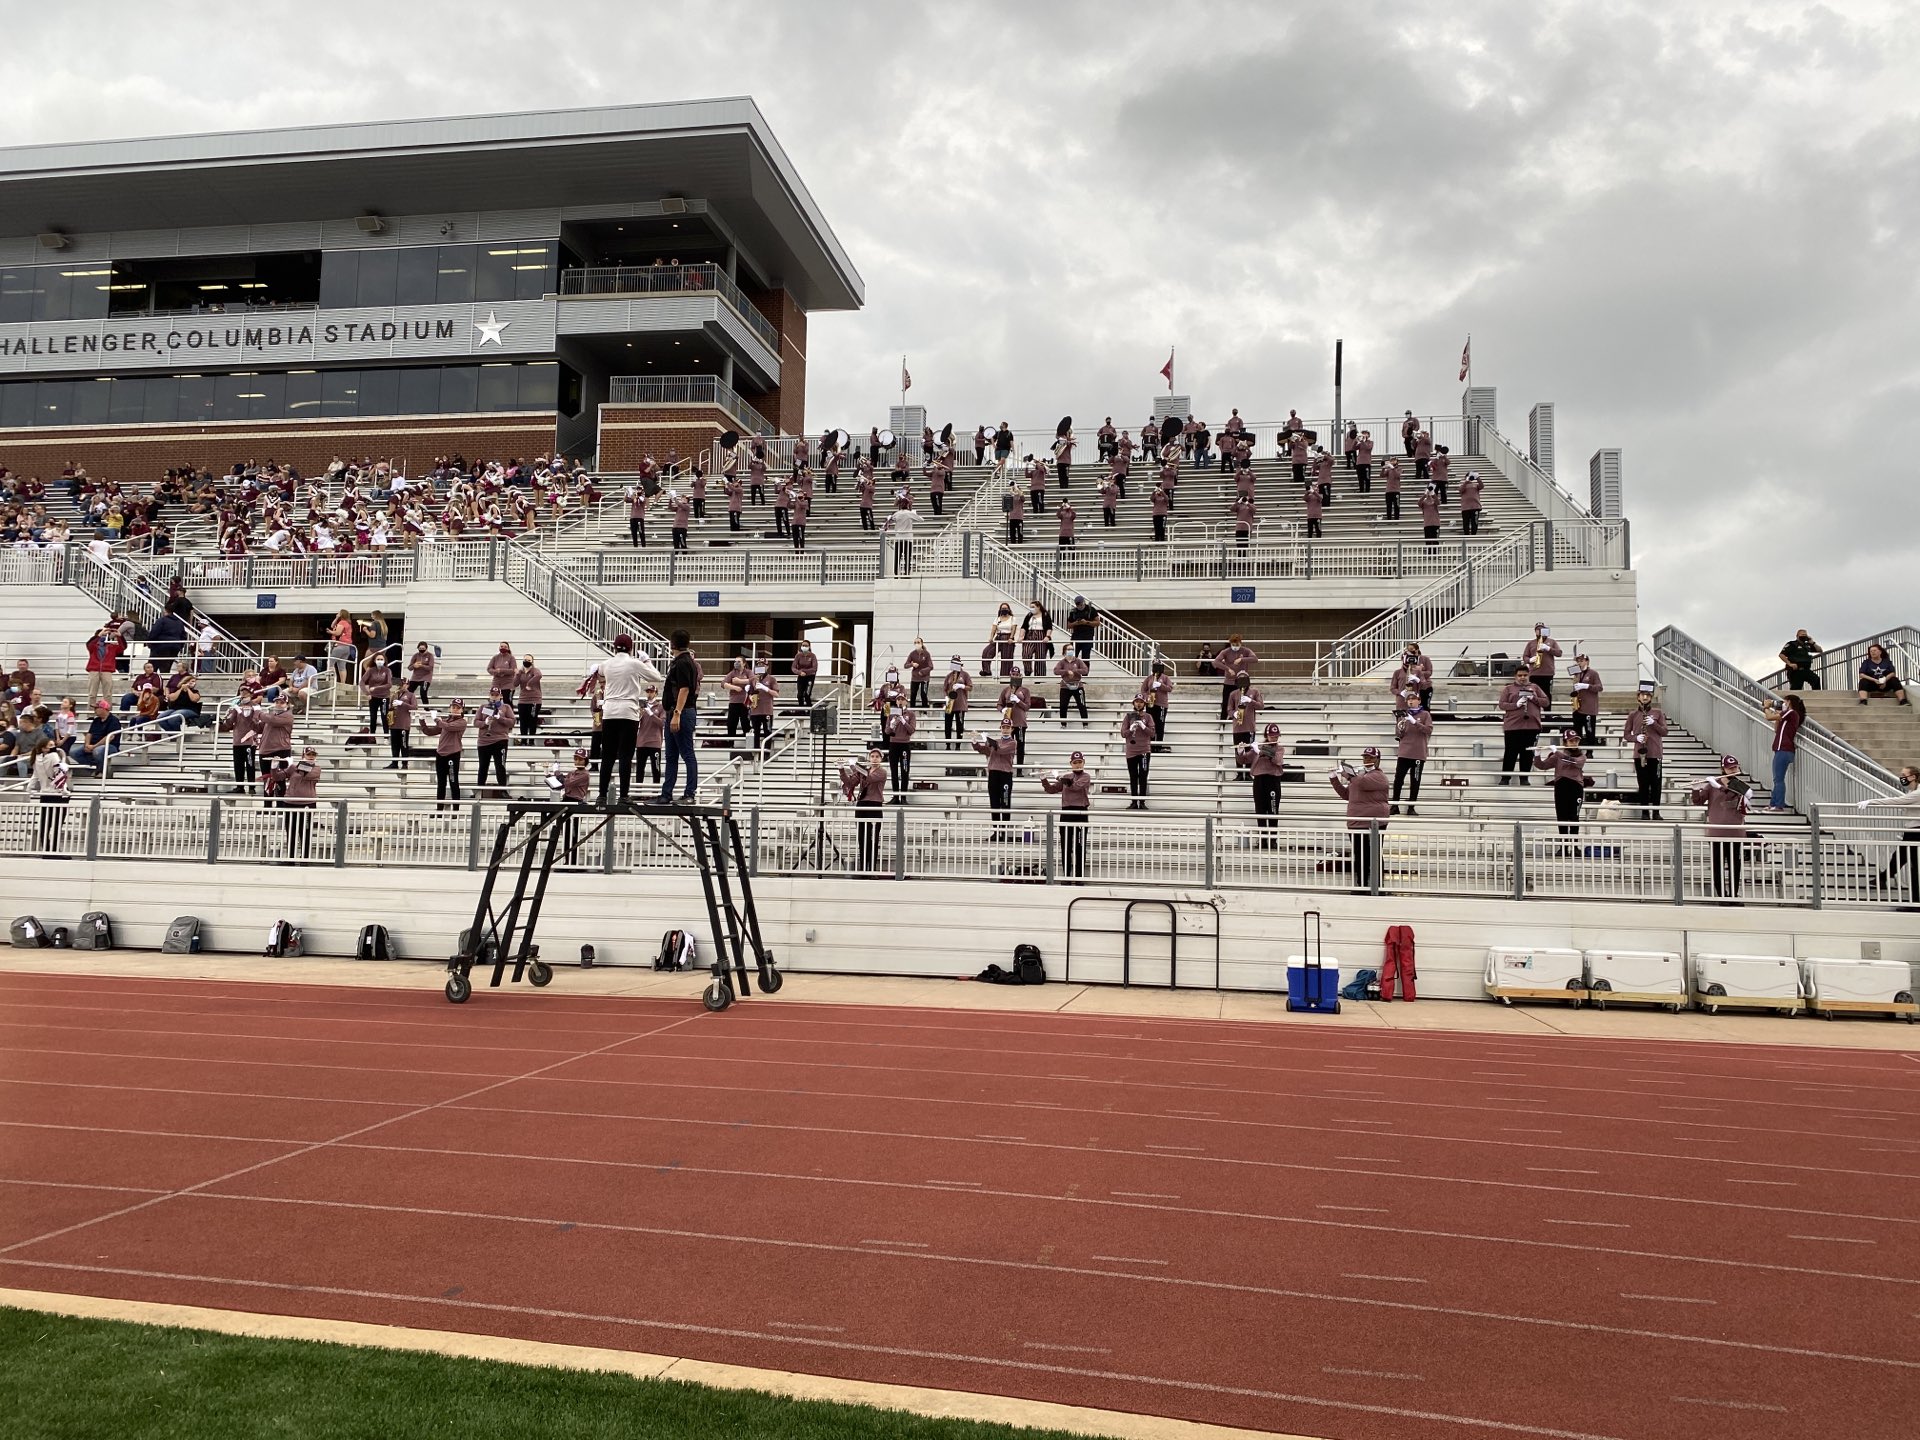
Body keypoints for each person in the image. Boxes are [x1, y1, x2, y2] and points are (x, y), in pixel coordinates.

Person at [600, 633, 665, 804]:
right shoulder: (634, 663)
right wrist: (647, 661)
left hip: (609, 711)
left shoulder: (606, 664)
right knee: (625, 755)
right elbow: (656, 677)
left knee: (607, 755)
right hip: (628, 711)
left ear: (614, 647)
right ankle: (623, 795)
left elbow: (598, 672)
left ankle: (601, 795)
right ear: (631, 648)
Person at [1690, 755, 1751, 900]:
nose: (1733, 770)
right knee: (1717, 865)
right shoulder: (1712, 785)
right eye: (1730, 768)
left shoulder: (1740, 784)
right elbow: (1697, 802)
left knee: (1735, 866)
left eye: (1735, 767)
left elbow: (1742, 794)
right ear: (1723, 769)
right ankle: (1721, 896)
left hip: (1735, 833)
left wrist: (1719, 786)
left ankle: (1734, 895)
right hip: (1717, 832)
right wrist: (1695, 789)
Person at [1330, 748, 1390, 892]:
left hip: (1373, 822)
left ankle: (1378, 886)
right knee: (1359, 854)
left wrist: (1350, 776)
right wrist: (1333, 778)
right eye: (1365, 757)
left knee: (1374, 854)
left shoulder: (1379, 776)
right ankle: (1361, 885)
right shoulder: (1359, 777)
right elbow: (1346, 794)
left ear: (1377, 760)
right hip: (1356, 821)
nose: (1367, 760)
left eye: (1370, 758)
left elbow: (1363, 783)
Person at [1859, 766, 1920, 906]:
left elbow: (1897, 801)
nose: (1901, 777)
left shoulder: (1917, 793)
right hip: (1912, 831)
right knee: (1900, 857)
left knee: (1913, 865)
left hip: (1916, 832)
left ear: (1913, 777)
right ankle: (1883, 878)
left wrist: (1871, 802)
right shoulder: (1913, 791)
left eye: (1904, 775)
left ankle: (1915, 901)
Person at [658, 629, 700, 803]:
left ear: (672, 644)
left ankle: (689, 793)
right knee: (671, 755)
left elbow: (684, 689)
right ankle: (666, 793)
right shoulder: (684, 661)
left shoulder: (683, 662)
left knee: (687, 754)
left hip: (681, 711)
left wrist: (677, 713)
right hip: (675, 712)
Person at [1041, 751, 1092, 877]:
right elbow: (1051, 790)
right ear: (1071, 764)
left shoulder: (1086, 776)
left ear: (1084, 762)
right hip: (1066, 812)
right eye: (1075, 763)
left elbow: (1075, 787)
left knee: (1080, 846)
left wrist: (1059, 778)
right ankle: (1066, 876)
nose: (1077, 765)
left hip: (1080, 812)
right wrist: (1044, 779)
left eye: (1080, 762)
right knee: (1066, 845)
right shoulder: (1067, 777)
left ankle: (1079, 876)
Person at [1622, 680, 1668, 819]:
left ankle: (1656, 811)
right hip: (1640, 754)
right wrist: (1636, 738)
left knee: (1656, 784)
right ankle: (1644, 812)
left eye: (1648, 695)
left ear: (1651, 697)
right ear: (1638, 697)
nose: (1645, 697)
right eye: (1642, 695)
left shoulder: (1658, 713)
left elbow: (1665, 732)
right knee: (1643, 783)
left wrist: (1654, 723)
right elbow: (1626, 734)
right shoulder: (1633, 714)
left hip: (1655, 753)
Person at [1536, 730, 1591, 836]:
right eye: (1571, 741)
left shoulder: (1582, 756)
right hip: (1561, 787)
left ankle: (1574, 847)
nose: (1574, 743)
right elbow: (1542, 766)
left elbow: (1574, 762)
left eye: (1576, 740)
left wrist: (1556, 752)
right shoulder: (1558, 755)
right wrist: (1537, 754)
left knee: (1574, 817)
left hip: (1576, 788)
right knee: (1561, 817)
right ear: (1565, 742)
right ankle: (1563, 846)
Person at [1238, 722, 1286, 845]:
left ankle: (1272, 840)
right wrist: (1241, 751)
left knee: (1273, 810)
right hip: (1259, 780)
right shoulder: (1258, 746)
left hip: (1273, 780)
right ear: (1266, 735)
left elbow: (1278, 760)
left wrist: (1260, 751)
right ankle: (1263, 839)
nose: (1274, 738)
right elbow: (1244, 760)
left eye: (1276, 736)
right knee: (1260, 810)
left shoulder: (1279, 748)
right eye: (1272, 736)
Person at [1499, 664, 1546, 784]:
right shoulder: (1508, 688)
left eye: (1525, 675)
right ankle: (1505, 778)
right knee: (1510, 753)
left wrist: (1534, 698)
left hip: (1531, 726)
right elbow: (1502, 705)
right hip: (1513, 726)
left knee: (1527, 753)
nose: (1522, 678)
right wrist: (1516, 705)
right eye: (1520, 675)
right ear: (1515, 676)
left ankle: (1524, 778)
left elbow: (1546, 702)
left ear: (1528, 675)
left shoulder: (1534, 687)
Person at [972, 721, 1019, 839]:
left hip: (1005, 775)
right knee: (994, 803)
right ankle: (996, 832)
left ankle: (1004, 832)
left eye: (1008, 727)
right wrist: (975, 741)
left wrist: (988, 741)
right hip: (993, 774)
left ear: (1012, 729)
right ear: (1000, 728)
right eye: (1003, 727)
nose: (1005, 729)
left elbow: (1001, 750)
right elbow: (984, 750)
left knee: (1005, 803)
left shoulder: (1013, 743)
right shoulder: (995, 742)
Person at [844, 748, 889, 872]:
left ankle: (872, 869)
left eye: (877, 757)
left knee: (873, 838)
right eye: (872, 756)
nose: (874, 759)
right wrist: (841, 769)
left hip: (874, 804)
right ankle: (863, 868)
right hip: (862, 803)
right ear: (869, 758)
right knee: (862, 837)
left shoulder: (882, 772)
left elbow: (869, 778)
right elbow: (850, 783)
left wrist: (855, 767)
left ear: (881, 759)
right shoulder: (864, 771)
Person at [420, 698, 469, 806]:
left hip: (453, 754)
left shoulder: (462, 722)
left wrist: (436, 719)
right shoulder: (445, 721)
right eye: (453, 707)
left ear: (462, 710)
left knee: (453, 782)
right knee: (441, 783)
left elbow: (448, 727)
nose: (455, 710)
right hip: (440, 754)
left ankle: (456, 810)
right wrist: (422, 720)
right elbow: (429, 732)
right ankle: (439, 809)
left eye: (458, 708)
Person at [1760, 693, 1804, 812]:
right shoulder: (1787, 715)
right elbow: (1776, 729)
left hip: (1784, 749)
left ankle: (1779, 805)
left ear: (1789, 702)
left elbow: (1768, 717)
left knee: (1778, 779)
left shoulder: (1792, 712)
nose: (1782, 703)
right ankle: (1773, 804)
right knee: (1777, 778)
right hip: (1782, 749)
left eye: (1784, 701)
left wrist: (1766, 707)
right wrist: (1778, 712)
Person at [28, 737, 71, 855]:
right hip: (57, 794)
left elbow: (35, 776)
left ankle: (46, 849)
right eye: (50, 745)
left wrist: (29, 788)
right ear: (44, 748)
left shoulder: (37, 758)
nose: (53, 747)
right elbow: (59, 774)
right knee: (57, 824)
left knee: (45, 822)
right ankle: (54, 850)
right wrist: (64, 790)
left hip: (44, 792)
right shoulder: (54, 756)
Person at [1393, 695, 1432, 814]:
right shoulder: (1403, 715)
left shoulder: (1425, 714)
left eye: (1413, 699)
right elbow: (1398, 734)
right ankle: (1395, 805)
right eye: (1408, 699)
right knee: (1398, 780)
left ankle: (1411, 807)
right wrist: (1401, 726)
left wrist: (1415, 722)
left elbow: (1428, 730)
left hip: (1418, 753)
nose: (1410, 701)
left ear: (1419, 701)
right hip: (1404, 752)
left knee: (1415, 781)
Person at [282, 746, 323, 860]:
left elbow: (307, 775)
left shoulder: (316, 768)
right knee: (291, 831)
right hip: (291, 802)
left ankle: (305, 858)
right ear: (303, 756)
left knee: (305, 831)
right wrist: (274, 767)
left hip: (307, 803)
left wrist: (294, 766)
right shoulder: (294, 768)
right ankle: (290, 857)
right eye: (308, 754)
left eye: (313, 755)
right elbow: (279, 776)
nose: (311, 757)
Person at [221, 692, 264, 791]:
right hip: (237, 740)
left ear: (250, 695)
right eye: (242, 693)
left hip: (250, 740)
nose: (243, 696)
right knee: (238, 764)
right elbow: (229, 722)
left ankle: (251, 787)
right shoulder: (237, 706)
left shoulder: (256, 707)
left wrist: (240, 711)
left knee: (250, 764)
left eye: (246, 694)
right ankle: (239, 786)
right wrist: (229, 713)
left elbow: (254, 721)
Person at [474, 691, 515, 791]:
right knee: (483, 766)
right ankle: (479, 790)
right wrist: (485, 722)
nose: (494, 697)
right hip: (484, 741)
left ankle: (502, 790)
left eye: (496, 695)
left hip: (500, 741)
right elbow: (475, 722)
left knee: (500, 766)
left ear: (500, 696)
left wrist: (500, 718)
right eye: (492, 695)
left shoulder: (506, 707)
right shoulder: (483, 707)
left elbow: (512, 722)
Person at [1122, 695, 1155, 810]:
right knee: (1133, 777)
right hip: (1131, 751)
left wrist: (1143, 726)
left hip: (1144, 751)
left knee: (1143, 776)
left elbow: (1152, 733)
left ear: (1144, 704)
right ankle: (1134, 801)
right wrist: (1130, 729)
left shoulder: (1148, 717)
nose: (1138, 704)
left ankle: (1142, 801)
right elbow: (1123, 733)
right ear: (1133, 704)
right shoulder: (1128, 716)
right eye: (1137, 702)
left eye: (1141, 702)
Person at [1213, 635, 1256, 720]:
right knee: (1226, 701)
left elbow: (1255, 659)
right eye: (1233, 645)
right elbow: (1216, 662)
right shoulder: (1226, 651)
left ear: (1240, 643)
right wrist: (1228, 669)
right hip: (1229, 680)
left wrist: (1242, 659)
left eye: (1237, 645)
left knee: (1242, 702)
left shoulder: (1245, 650)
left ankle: (1240, 720)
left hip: (1242, 680)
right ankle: (1223, 721)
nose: (1235, 647)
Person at [1521, 623, 1563, 707]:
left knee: (1547, 694)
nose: (1539, 631)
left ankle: (1548, 715)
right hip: (1534, 673)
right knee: (1533, 694)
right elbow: (1525, 656)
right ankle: (1534, 712)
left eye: (1541, 629)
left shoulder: (1551, 641)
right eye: (1537, 630)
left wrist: (1548, 648)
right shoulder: (1531, 643)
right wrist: (1529, 660)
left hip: (1548, 673)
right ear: (1535, 631)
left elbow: (1559, 653)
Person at [999, 666, 1033, 768]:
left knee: (1020, 746)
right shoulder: (1006, 690)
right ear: (1010, 675)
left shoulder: (1025, 690)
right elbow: (999, 703)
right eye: (1013, 674)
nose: (1015, 676)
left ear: (1020, 676)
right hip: (1008, 722)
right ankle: (1007, 766)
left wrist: (1018, 701)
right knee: (1006, 745)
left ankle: (1019, 769)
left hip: (1020, 722)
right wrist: (1002, 709)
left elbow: (1027, 707)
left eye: (1017, 675)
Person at [884, 697, 916, 799]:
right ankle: (895, 797)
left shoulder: (910, 714)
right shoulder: (891, 713)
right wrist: (893, 724)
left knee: (905, 771)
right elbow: (887, 732)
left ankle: (903, 797)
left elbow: (911, 730)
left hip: (904, 745)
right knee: (894, 771)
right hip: (893, 745)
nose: (900, 701)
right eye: (898, 700)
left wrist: (903, 721)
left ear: (906, 701)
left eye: (902, 699)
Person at [75, 702, 121, 774]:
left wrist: (94, 746)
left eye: (96, 708)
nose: (94, 710)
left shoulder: (114, 721)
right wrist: (87, 744)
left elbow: (110, 737)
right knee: (75, 753)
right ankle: (94, 767)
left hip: (110, 746)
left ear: (103, 709)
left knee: (98, 750)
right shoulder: (96, 720)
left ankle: (101, 771)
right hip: (93, 744)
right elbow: (89, 733)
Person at [636, 684, 665, 786]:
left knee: (656, 769)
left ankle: (656, 791)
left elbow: (662, 723)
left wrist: (651, 713)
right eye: (647, 692)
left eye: (651, 692)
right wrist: (639, 713)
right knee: (639, 769)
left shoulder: (661, 707)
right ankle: (638, 792)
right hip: (642, 742)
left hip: (655, 743)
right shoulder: (642, 707)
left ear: (656, 693)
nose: (649, 694)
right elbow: (636, 722)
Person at [1390, 644, 1433, 712]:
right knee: (1402, 719)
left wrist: (1418, 680)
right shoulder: (1397, 672)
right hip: (1402, 701)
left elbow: (1424, 686)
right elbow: (1392, 688)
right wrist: (1400, 692)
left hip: (1415, 701)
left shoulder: (1418, 672)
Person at [748, 661, 777, 751]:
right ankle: (756, 752)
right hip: (755, 710)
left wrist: (766, 688)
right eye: (758, 665)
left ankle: (766, 752)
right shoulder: (753, 679)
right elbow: (750, 693)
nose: (760, 666)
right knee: (755, 733)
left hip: (767, 710)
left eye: (763, 665)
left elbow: (776, 694)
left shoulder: (771, 679)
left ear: (767, 667)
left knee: (767, 732)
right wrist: (749, 696)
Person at [943, 656, 972, 746]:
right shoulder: (949, 676)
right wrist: (946, 697)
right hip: (950, 704)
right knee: (947, 725)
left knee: (959, 725)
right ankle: (948, 744)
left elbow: (970, 687)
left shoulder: (965, 675)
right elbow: (944, 689)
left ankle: (958, 745)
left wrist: (962, 686)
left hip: (960, 704)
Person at [1054, 650, 1089, 725]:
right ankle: (1063, 724)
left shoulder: (1078, 661)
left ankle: (1085, 724)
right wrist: (1066, 671)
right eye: (1068, 650)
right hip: (1065, 687)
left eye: (1071, 650)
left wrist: (1075, 671)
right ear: (1064, 653)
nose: (1070, 652)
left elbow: (1085, 670)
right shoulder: (1062, 662)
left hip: (1078, 686)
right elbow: (1056, 671)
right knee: (1063, 705)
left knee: (1082, 705)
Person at [722, 653, 753, 739]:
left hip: (745, 702)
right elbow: (723, 683)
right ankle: (731, 743)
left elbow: (753, 680)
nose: (736, 663)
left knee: (745, 722)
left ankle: (748, 742)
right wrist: (734, 687)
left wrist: (740, 681)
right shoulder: (732, 673)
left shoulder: (748, 672)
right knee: (731, 723)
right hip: (734, 702)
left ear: (744, 663)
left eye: (739, 661)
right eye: (735, 661)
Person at [1142, 661, 1174, 741]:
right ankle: (1151, 743)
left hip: (1162, 705)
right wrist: (1147, 697)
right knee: (1151, 724)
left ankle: (1159, 744)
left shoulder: (1165, 678)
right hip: (1150, 704)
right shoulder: (1149, 678)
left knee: (1160, 724)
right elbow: (1143, 690)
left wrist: (1161, 685)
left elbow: (1170, 688)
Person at [386, 686, 415, 770]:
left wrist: (402, 704)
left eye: (405, 684)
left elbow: (414, 707)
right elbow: (389, 706)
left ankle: (404, 763)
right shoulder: (394, 694)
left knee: (404, 744)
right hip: (394, 723)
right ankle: (394, 762)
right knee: (394, 745)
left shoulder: (410, 695)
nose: (402, 686)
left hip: (404, 724)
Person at [988, 603, 1019, 678]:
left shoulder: (1012, 618)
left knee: (1006, 658)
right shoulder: (997, 619)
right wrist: (991, 637)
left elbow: (1013, 629)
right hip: (998, 637)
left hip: (1007, 637)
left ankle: (1004, 677)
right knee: (987, 652)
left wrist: (1011, 637)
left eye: (1005, 608)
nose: (1004, 610)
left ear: (1008, 609)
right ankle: (986, 671)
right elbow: (993, 629)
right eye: (1002, 608)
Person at [515, 654, 544, 736]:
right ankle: (523, 740)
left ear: (532, 662)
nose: (526, 662)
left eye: (529, 660)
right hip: (523, 700)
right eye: (525, 660)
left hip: (534, 700)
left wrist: (529, 683)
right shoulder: (521, 672)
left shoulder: (535, 670)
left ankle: (531, 740)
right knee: (523, 721)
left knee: (532, 720)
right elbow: (515, 683)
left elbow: (539, 676)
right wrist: (517, 674)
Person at [1066, 596, 1098, 661]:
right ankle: (1072, 670)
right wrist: (1076, 623)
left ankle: (1084, 670)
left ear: (1083, 602)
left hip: (1087, 637)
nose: (1079, 606)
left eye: (1080, 604)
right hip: (1076, 636)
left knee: (1085, 658)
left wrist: (1086, 622)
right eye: (1077, 605)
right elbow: (1068, 625)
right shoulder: (1074, 612)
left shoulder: (1091, 610)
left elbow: (1097, 623)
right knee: (1071, 657)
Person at [906, 638, 933, 708]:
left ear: (922, 643)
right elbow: (905, 665)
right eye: (915, 642)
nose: (916, 644)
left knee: (923, 694)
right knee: (913, 694)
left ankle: (925, 711)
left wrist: (923, 671)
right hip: (915, 677)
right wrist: (912, 664)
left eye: (918, 642)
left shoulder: (926, 654)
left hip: (924, 677)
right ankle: (912, 710)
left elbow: (931, 666)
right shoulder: (912, 654)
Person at [793, 638, 819, 707]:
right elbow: (793, 667)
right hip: (801, 676)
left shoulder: (813, 656)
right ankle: (801, 709)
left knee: (807, 695)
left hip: (810, 677)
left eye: (806, 645)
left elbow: (814, 668)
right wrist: (799, 672)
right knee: (799, 695)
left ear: (809, 647)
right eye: (803, 645)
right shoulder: (798, 656)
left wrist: (805, 672)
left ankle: (809, 709)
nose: (804, 647)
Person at [1458, 471, 1484, 535]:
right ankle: (1466, 535)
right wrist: (1466, 482)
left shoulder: (1476, 485)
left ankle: (1473, 535)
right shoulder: (1463, 485)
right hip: (1465, 507)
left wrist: (1477, 478)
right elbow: (1461, 490)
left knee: (1474, 522)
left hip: (1475, 507)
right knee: (1465, 522)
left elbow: (1482, 486)